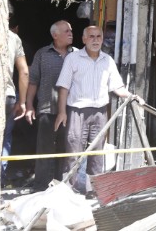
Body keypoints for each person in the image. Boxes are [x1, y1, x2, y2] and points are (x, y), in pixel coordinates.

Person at [54, 26, 142, 194]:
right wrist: (62, 112)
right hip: (77, 111)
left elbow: (118, 87)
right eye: (91, 36)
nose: (95, 40)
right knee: (74, 151)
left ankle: (94, 191)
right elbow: (63, 87)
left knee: (97, 153)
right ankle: (69, 192)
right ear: (84, 39)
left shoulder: (107, 60)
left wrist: (133, 96)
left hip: (100, 112)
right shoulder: (73, 58)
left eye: (98, 37)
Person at [24, 20, 73, 192]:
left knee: (65, 147)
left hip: (71, 110)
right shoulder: (42, 54)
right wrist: (29, 105)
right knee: (45, 148)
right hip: (47, 108)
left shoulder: (77, 54)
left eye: (71, 30)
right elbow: (33, 81)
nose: (70, 33)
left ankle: (61, 185)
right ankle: (41, 186)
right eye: (66, 31)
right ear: (55, 35)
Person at [3, 21, 29, 186]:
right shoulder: (14, 38)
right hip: (9, 95)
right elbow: (24, 71)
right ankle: (0, 177)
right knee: (5, 138)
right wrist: (23, 101)